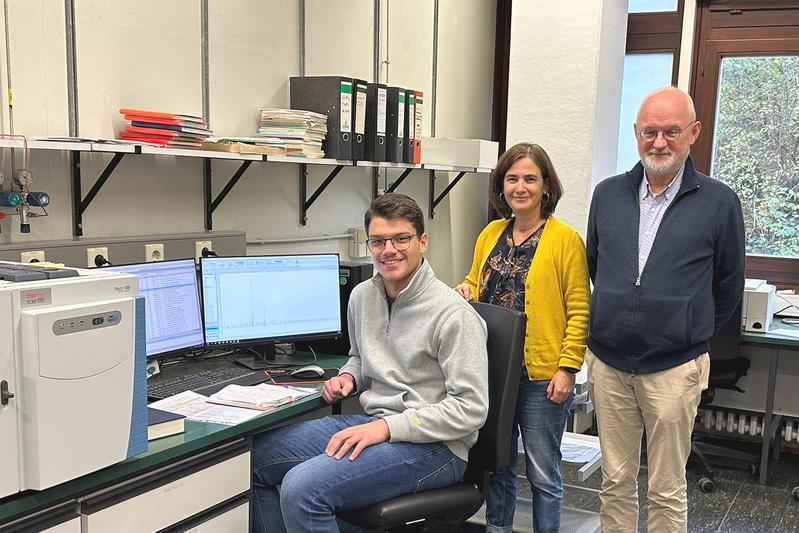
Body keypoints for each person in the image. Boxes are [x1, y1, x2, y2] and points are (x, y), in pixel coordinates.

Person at [251, 193, 489, 533]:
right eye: (378, 241)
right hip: (376, 424)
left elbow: (470, 409)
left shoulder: (453, 315)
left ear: (423, 242)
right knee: (255, 459)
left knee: (302, 489)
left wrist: (388, 428)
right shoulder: (363, 297)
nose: (389, 250)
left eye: (401, 238)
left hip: (437, 448)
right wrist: (349, 378)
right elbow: (360, 358)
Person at [585, 86, 745, 532]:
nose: (659, 142)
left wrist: (688, 331)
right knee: (614, 480)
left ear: (693, 132)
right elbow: (596, 264)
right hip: (610, 364)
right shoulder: (608, 195)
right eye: (650, 132)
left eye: (671, 131)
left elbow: (729, 283)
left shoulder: (719, 201)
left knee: (667, 487)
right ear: (636, 133)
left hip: (675, 368)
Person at [455, 142, 590, 533]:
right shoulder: (491, 233)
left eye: (530, 178)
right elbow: (474, 279)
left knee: (543, 473)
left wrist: (567, 369)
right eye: (512, 178)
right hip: (492, 371)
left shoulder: (564, 240)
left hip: (541, 376)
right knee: (496, 465)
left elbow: (580, 309)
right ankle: (498, 529)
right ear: (501, 185)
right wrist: (464, 288)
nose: (520, 187)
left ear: (546, 186)